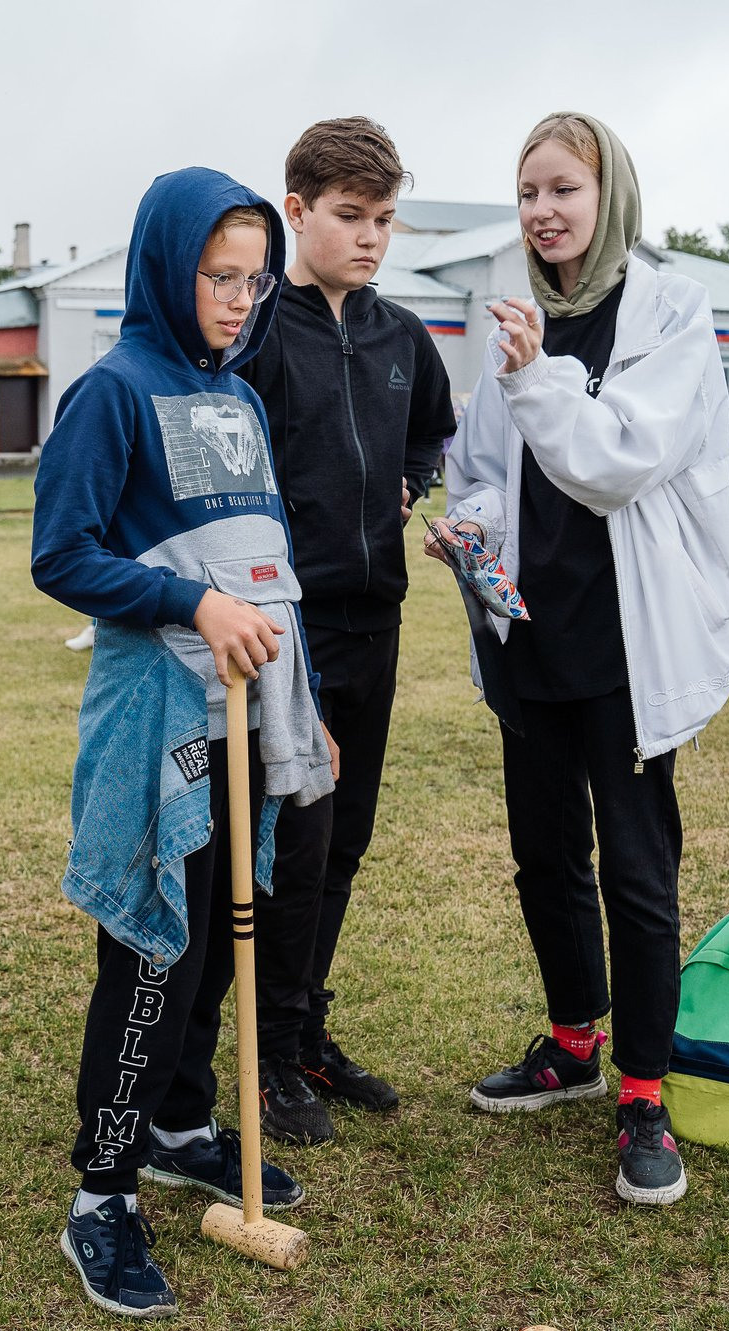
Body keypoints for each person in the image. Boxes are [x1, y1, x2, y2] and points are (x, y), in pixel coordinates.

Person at [31, 168, 336, 1318]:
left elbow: (264, 565)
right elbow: (59, 555)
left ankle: (176, 1125)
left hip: (245, 716)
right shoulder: (110, 393)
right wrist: (187, 606)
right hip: (158, 713)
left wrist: (303, 716)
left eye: (255, 282)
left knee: (220, 939)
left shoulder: (241, 400)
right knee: (155, 946)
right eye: (219, 276)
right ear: (167, 264)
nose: (239, 301)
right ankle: (99, 1197)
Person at [426, 112, 729, 1209]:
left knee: (635, 872)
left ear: (608, 194)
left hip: (627, 644)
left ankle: (643, 1095)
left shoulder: (669, 313)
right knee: (543, 853)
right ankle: (571, 1042)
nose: (542, 212)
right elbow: (480, 459)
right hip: (529, 630)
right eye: (526, 194)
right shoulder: (512, 313)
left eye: (562, 189)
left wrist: (532, 377)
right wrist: (465, 530)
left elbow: (616, 459)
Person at [238, 116, 454, 1145]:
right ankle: (268, 1053)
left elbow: (430, 435)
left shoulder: (401, 335)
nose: (369, 237)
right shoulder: (257, 334)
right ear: (296, 212)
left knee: (349, 840)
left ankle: (308, 1029)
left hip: (381, 620)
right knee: (295, 838)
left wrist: (417, 486)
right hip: (291, 630)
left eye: (383, 219)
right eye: (348, 216)